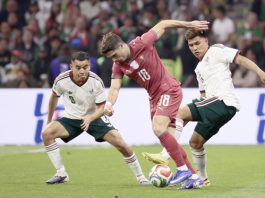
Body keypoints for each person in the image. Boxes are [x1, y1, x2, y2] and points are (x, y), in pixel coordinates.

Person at [142, 29, 265, 186]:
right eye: (191, 45)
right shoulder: (199, 69)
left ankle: (166, 154)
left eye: (197, 43)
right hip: (214, 107)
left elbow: (240, 60)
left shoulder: (216, 50)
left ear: (206, 41)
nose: (194, 48)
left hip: (223, 102)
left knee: (178, 114)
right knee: (195, 143)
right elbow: (203, 96)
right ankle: (202, 180)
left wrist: (260, 72)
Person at [100, 20, 209, 189]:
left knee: (158, 128)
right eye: (111, 58)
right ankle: (194, 177)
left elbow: (163, 24)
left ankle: (182, 170)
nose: (115, 60)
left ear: (122, 45)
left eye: (114, 55)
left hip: (169, 89)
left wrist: (188, 24)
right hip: (154, 98)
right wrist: (109, 103)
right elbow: (114, 88)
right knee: (170, 140)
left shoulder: (142, 42)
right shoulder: (118, 65)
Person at [42, 51, 150, 185]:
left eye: (85, 67)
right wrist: (49, 121)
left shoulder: (96, 81)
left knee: (121, 144)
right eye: (78, 67)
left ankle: (141, 178)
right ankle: (61, 173)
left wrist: (89, 118)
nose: (82, 71)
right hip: (71, 118)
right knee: (47, 134)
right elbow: (53, 98)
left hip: (95, 117)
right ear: (71, 66)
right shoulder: (61, 80)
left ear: (90, 66)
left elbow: (101, 108)